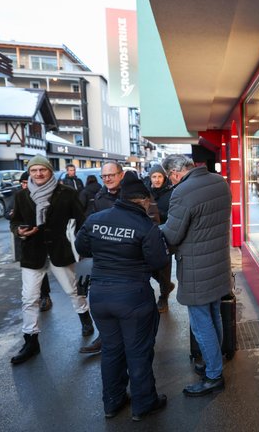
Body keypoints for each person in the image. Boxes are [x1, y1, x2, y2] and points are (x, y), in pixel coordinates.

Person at [75, 172, 169, 421]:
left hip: (100, 296)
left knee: (112, 350)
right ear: (141, 201)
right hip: (133, 297)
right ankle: (143, 404)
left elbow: (81, 247)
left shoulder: (95, 220)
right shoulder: (146, 227)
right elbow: (159, 261)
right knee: (138, 351)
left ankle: (112, 402)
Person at [9, 154, 95, 365]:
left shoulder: (67, 193)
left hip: (60, 250)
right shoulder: (22, 196)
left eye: (42, 170)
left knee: (72, 290)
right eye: (33, 170)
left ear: (50, 171)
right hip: (32, 252)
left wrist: (83, 248)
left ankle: (85, 318)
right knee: (29, 298)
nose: (38, 174)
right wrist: (19, 231)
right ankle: (31, 340)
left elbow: (82, 221)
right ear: (29, 173)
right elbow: (15, 221)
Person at [159, 154, 232, 397]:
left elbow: (171, 235)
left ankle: (213, 375)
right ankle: (214, 363)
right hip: (217, 262)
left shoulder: (182, 192)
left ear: (175, 174)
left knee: (202, 324)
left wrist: (154, 229)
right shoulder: (219, 182)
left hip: (196, 268)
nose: (172, 182)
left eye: (170, 178)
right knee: (214, 315)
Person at [79, 161, 125, 354]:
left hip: (127, 258)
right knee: (103, 300)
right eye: (104, 176)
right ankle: (104, 338)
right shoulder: (99, 197)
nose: (107, 179)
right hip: (105, 257)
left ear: (121, 175)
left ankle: (128, 339)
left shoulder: (132, 194)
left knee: (126, 302)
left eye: (111, 175)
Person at [7, 171, 52, 312]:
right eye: (23, 183)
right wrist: (15, 221)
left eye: (27, 182)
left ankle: (45, 296)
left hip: (43, 239)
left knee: (41, 269)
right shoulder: (19, 196)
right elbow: (9, 215)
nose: (25, 185)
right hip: (26, 240)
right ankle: (35, 299)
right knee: (32, 273)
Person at [147, 164, 175, 312]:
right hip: (148, 235)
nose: (157, 180)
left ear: (164, 177)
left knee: (165, 268)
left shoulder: (171, 192)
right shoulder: (145, 193)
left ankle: (163, 298)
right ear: (150, 178)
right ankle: (167, 285)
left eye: (159, 176)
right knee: (149, 267)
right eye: (154, 177)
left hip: (165, 235)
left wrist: (158, 213)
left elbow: (174, 214)